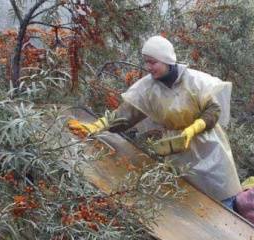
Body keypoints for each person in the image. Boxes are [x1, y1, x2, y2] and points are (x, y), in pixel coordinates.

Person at [68, 35, 241, 208]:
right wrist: (96, 126)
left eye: (152, 62)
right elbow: (124, 115)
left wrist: (193, 129)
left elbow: (213, 110)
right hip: (178, 150)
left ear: (166, 59)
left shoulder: (195, 81)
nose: (148, 67)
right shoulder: (147, 89)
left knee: (223, 201)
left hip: (209, 148)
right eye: (146, 62)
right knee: (190, 205)